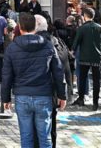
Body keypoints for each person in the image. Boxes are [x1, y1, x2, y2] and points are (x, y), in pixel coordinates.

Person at [1, 12, 66, 148]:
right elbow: (58, 72)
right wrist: (62, 95)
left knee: (26, 137)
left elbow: (6, 76)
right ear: (35, 28)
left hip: (22, 95)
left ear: (20, 27)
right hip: (43, 95)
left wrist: (5, 99)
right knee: (45, 138)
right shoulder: (48, 45)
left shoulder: (12, 48)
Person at [34, 15, 72, 148]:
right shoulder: (58, 41)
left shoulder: (39, 44)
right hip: (53, 92)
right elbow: (66, 66)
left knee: (37, 131)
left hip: (41, 91)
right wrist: (63, 94)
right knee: (51, 128)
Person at [72, 7, 101, 111]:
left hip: (84, 56)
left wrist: (72, 51)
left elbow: (76, 42)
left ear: (85, 16)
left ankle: (81, 99)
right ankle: (95, 103)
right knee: (96, 81)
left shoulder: (82, 28)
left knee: (82, 77)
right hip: (97, 57)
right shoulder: (100, 28)